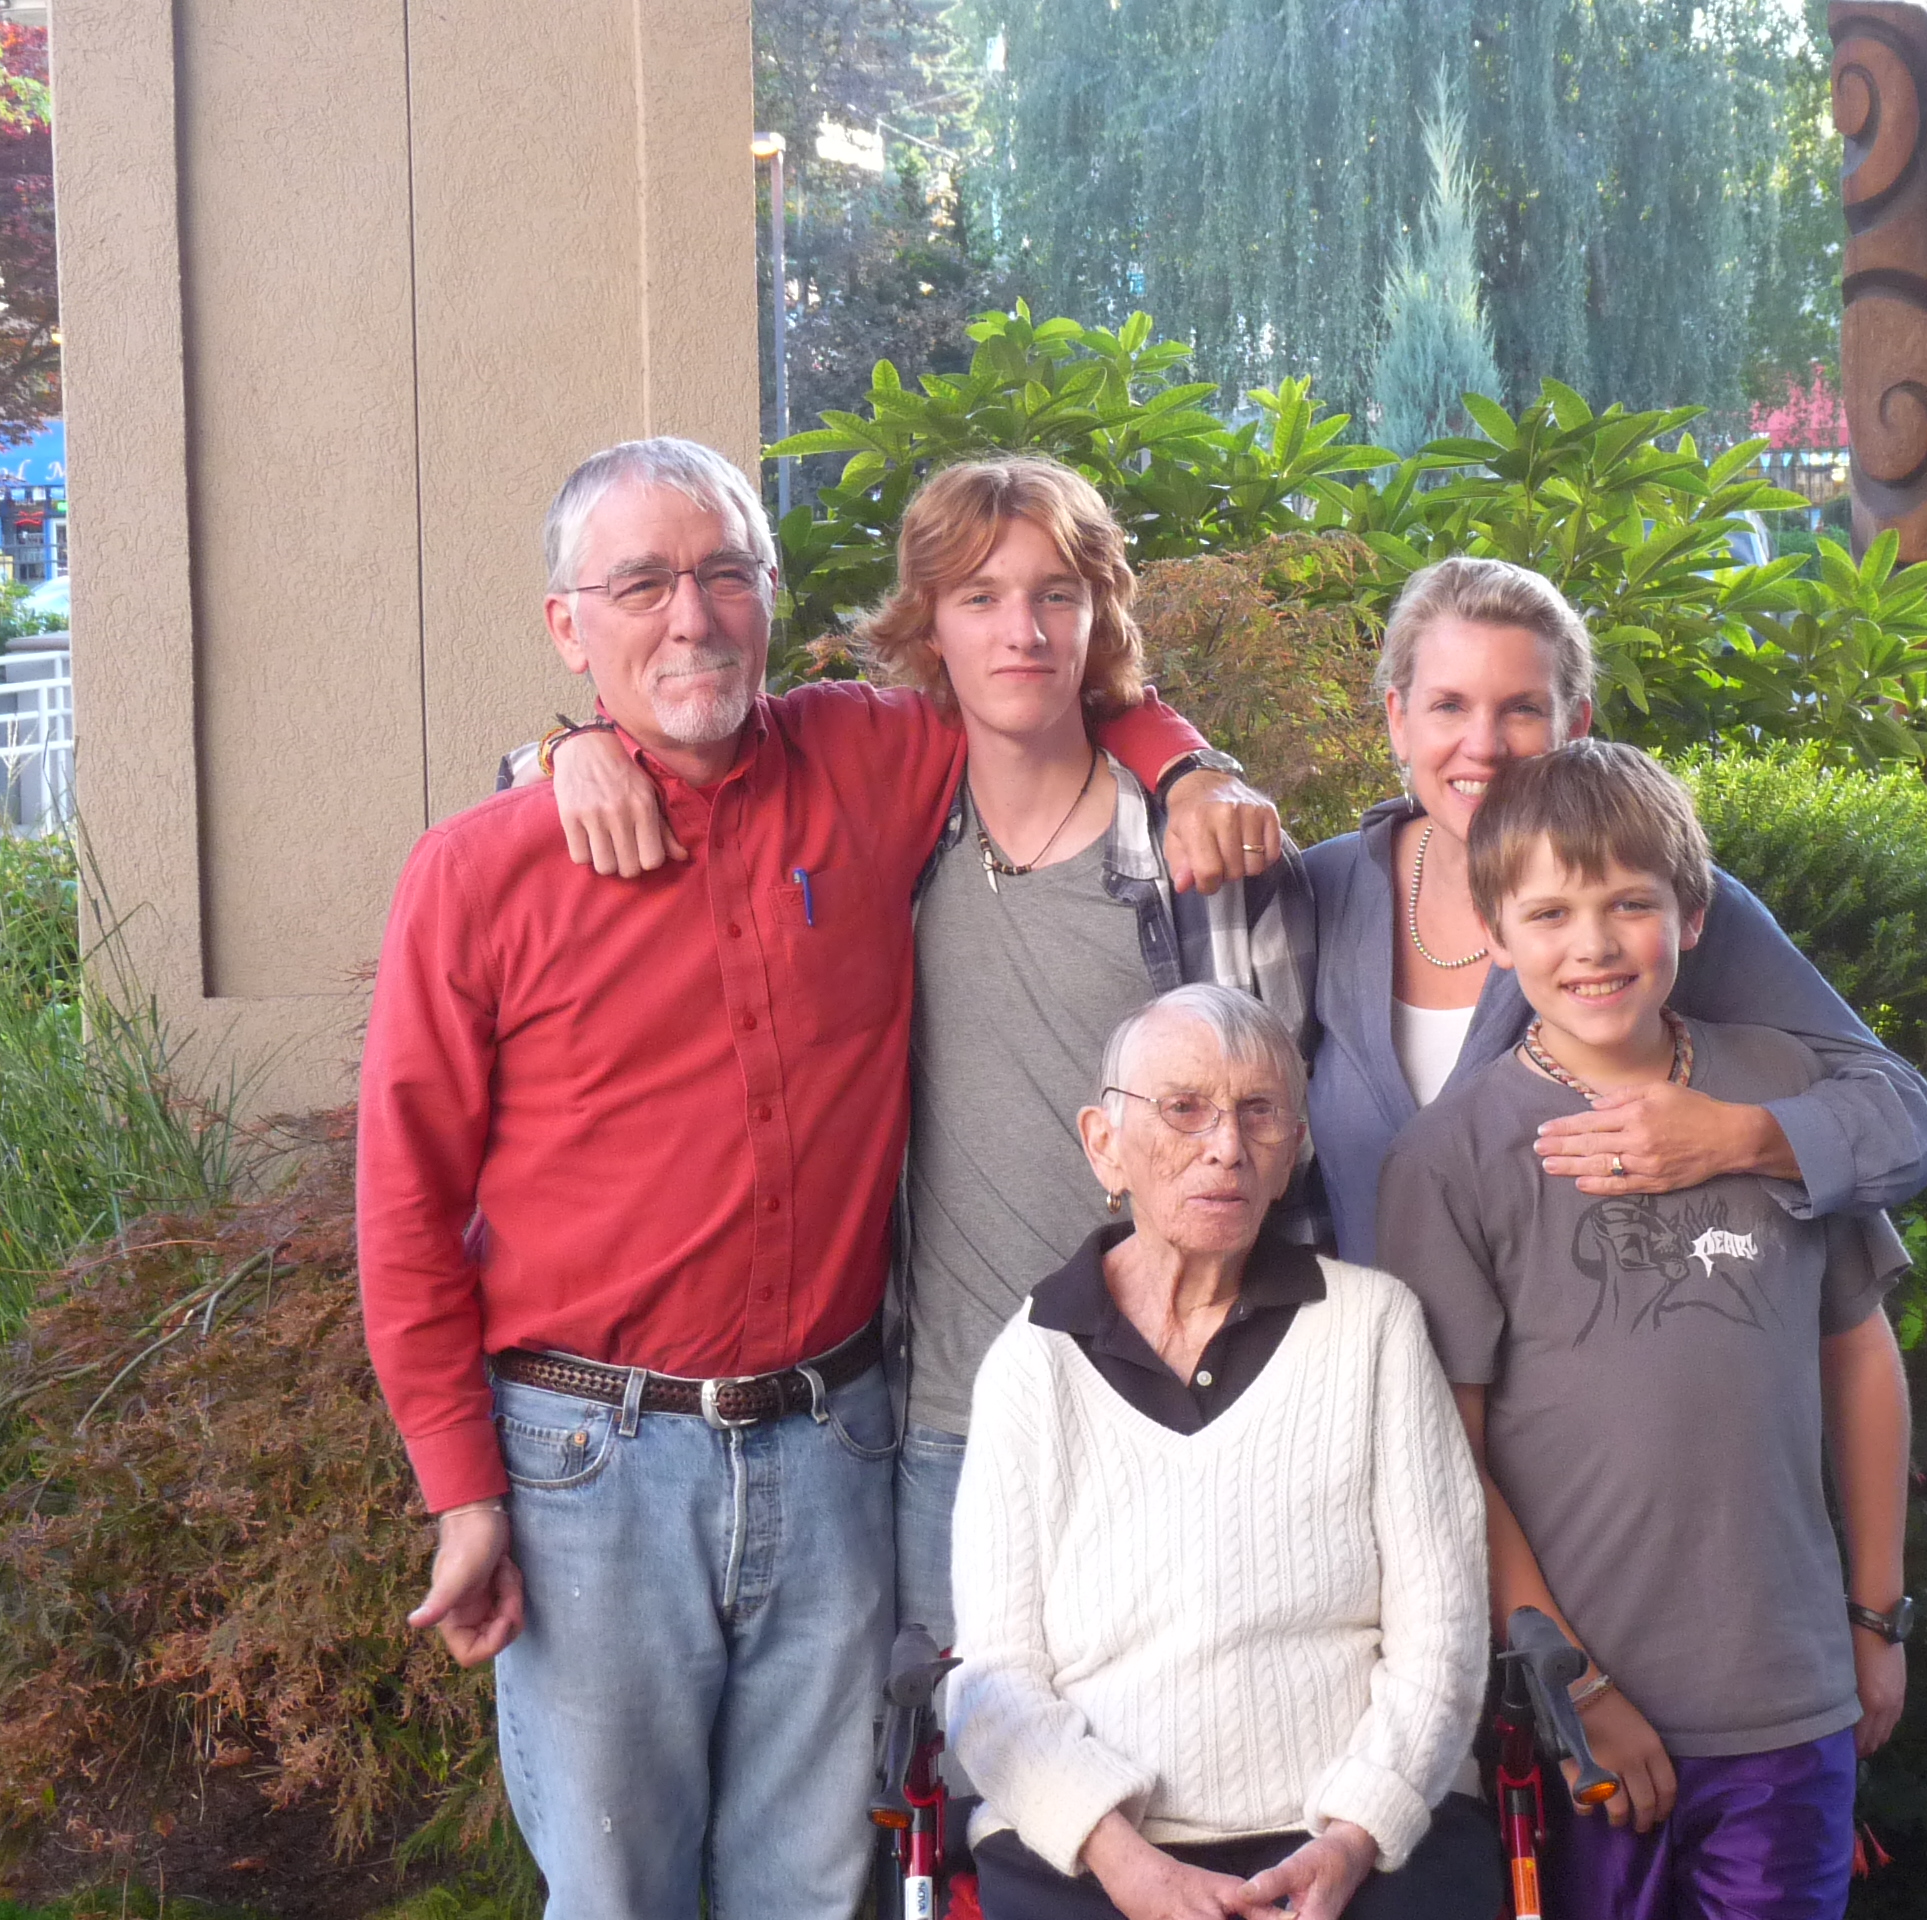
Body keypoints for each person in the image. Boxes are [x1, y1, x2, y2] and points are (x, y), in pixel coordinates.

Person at [356, 436, 1269, 1920]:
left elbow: (1043, 671)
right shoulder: (479, 874)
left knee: (819, 1885)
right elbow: (403, 1209)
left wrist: (1185, 759)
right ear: (566, 625)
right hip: (593, 1470)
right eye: (641, 586)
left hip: (838, 1449)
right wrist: (462, 1493)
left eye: (725, 575)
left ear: (771, 595)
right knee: (619, 1890)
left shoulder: (868, 758)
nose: (691, 616)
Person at [539, 454, 1315, 1654]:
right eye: (979, 598)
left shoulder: (1202, 861)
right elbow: (673, 738)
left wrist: (1189, 763)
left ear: (1098, 615)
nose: (1022, 632)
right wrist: (571, 743)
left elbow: (1292, 1156)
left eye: (1055, 595)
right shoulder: (890, 815)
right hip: (951, 1421)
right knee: (957, 1759)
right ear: (928, 626)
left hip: (1175, 1403)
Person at [1375, 741, 1913, 1920]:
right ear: (1495, 933)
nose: (1595, 944)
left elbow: (1859, 1352)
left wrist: (1878, 1614)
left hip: (1785, 1693)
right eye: (1550, 913)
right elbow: (1443, 1456)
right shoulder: (1450, 1159)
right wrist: (1573, 1682)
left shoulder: (1783, 1090)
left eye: (1630, 903)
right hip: (1582, 1724)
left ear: (1694, 914)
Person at [950, 984, 1497, 1920]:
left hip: (1357, 1834)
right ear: (1104, 1144)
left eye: (1259, 1114)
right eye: (1185, 1109)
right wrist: (1127, 1866)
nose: (1227, 1147)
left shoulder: (1373, 1328)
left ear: (1293, 1153)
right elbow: (994, 1679)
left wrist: (1354, 1836)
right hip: (1096, 1853)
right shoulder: (1032, 1363)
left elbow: (1441, 1637)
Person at [1304, 555, 1927, 1268]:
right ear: (1399, 720)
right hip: (1363, 1338)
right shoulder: (1324, 889)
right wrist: (1208, 775)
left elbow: (1908, 1118)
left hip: (1576, 1339)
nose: (1483, 746)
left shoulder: (1655, 909)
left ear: (1576, 725)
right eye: (1449, 706)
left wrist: (1738, 1137)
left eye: (1522, 709)